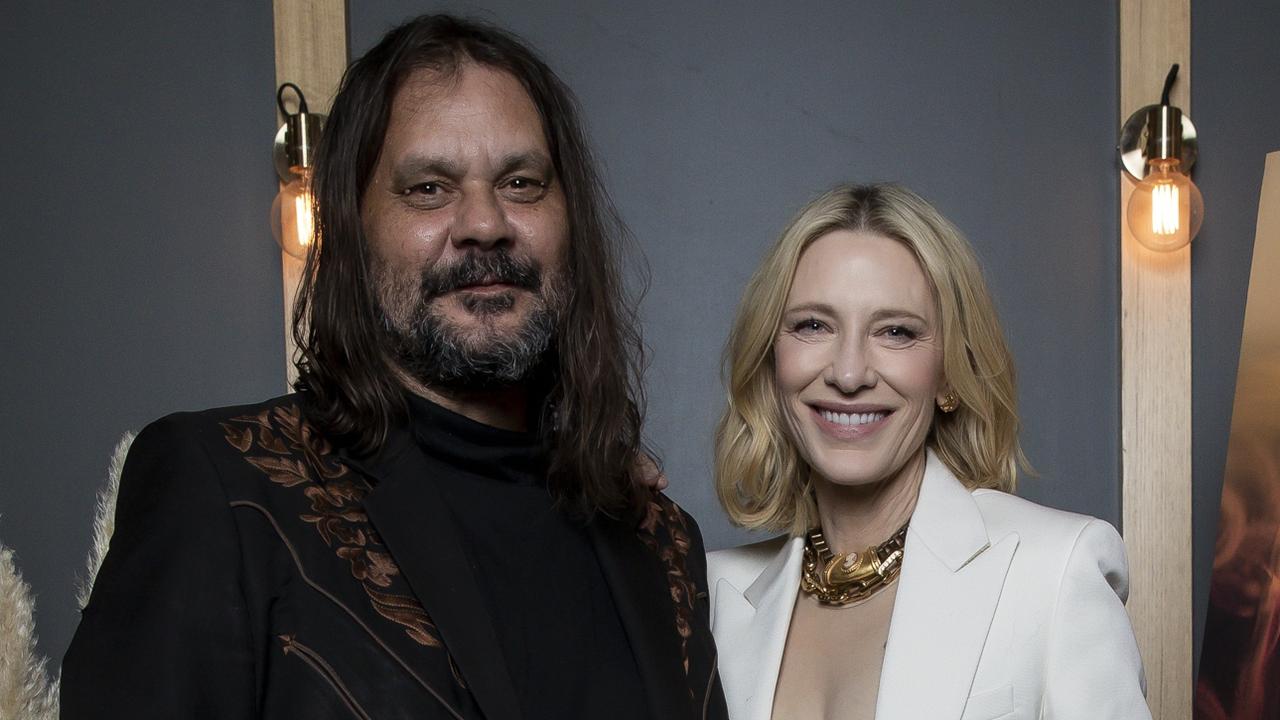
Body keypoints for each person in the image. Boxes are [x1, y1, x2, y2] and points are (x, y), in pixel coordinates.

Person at [62, 14, 727, 720]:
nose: (484, 223)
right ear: (351, 227)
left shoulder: (658, 539)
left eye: (523, 182)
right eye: (429, 188)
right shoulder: (223, 487)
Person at [707, 183, 1150, 719]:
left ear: (948, 376)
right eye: (813, 325)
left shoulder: (1054, 571)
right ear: (772, 359)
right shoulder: (709, 595)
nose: (849, 373)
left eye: (895, 331)